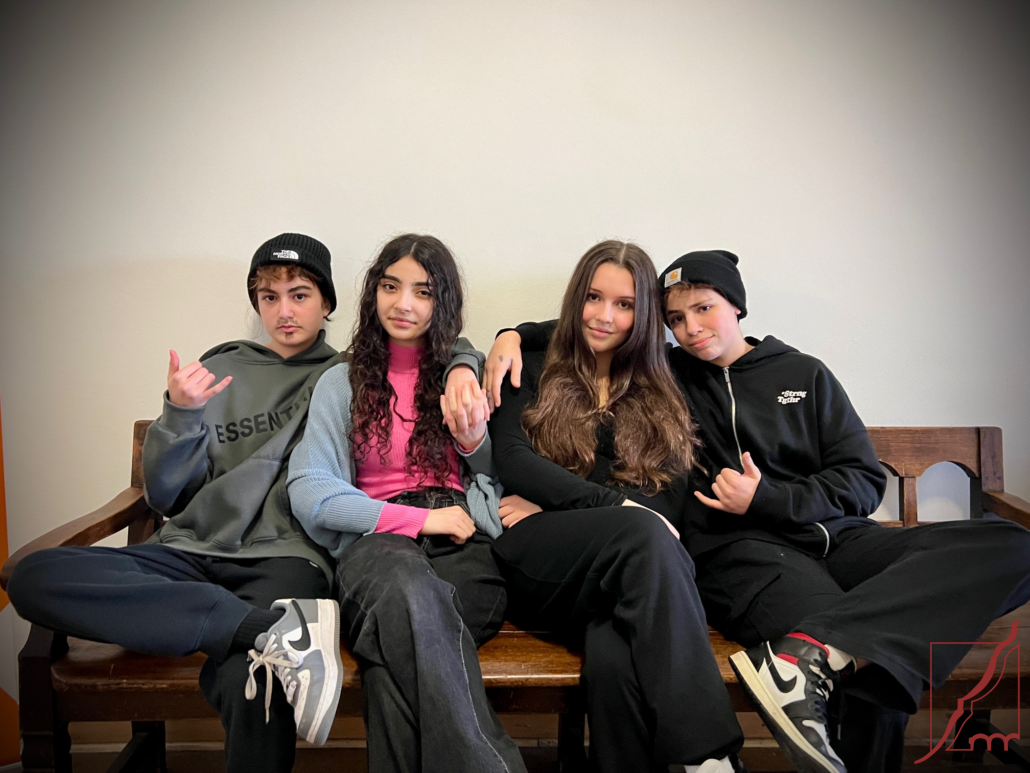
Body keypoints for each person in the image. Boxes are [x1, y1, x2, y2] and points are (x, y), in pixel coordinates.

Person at [490, 249, 1030, 773]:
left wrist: (769, 498)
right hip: (746, 551)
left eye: (704, 308)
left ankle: (811, 657)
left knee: (1013, 545)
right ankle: (794, 683)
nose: (691, 329)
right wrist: (512, 334)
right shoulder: (668, 374)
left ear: (737, 306)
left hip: (843, 538)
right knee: (878, 669)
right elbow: (592, 331)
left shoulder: (804, 373)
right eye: (676, 319)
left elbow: (864, 481)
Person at [9, 233, 349, 772]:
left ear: (327, 301)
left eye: (300, 295)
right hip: (190, 548)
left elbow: (439, 348)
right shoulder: (218, 369)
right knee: (31, 576)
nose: (284, 311)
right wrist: (180, 413)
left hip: (286, 557)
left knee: (254, 675)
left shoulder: (348, 375)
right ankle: (258, 629)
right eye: (269, 297)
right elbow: (166, 495)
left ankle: (252, 634)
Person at [486, 240, 745, 773]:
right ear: (576, 298)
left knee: (614, 655)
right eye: (593, 297)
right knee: (643, 532)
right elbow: (514, 461)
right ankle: (711, 756)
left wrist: (568, 506)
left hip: (625, 574)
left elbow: (666, 498)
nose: (604, 316)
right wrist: (618, 505)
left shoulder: (664, 384)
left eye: (624, 304)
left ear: (643, 314)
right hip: (540, 563)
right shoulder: (529, 366)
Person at [286, 234, 526, 773]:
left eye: (423, 292)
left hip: (466, 543)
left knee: (392, 658)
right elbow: (309, 489)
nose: (403, 304)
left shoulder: (465, 373)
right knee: (409, 600)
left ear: (444, 302)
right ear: (374, 292)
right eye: (391, 287)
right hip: (379, 543)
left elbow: (501, 472)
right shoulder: (340, 383)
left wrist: (472, 442)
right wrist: (418, 519)